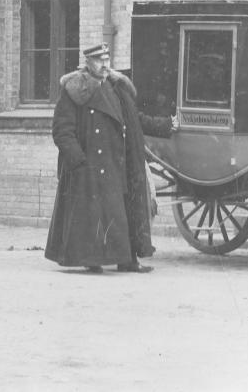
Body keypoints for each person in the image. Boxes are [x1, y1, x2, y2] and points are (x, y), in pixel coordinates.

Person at [45, 43, 173, 274]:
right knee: (93, 213)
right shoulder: (75, 89)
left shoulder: (117, 87)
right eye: (99, 60)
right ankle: (91, 259)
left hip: (120, 162)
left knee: (123, 212)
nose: (105, 65)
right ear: (88, 63)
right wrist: (78, 161)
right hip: (89, 165)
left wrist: (165, 125)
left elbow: (135, 118)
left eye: (107, 60)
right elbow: (62, 130)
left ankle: (127, 260)